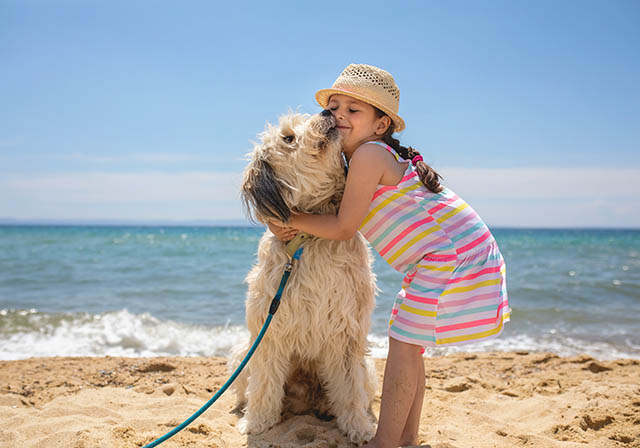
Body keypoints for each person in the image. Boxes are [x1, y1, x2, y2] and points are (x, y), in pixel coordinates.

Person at [270, 64, 510, 448]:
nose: (340, 116)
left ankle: (384, 442)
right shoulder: (361, 158)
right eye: (334, 107)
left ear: (381, 125)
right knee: (410, 347)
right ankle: (407, 438)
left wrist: (288, 218)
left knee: (402, 345)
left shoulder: (367, 155)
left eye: (354, 110)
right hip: (448, 254)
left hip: (449, 255)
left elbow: (344, 226)